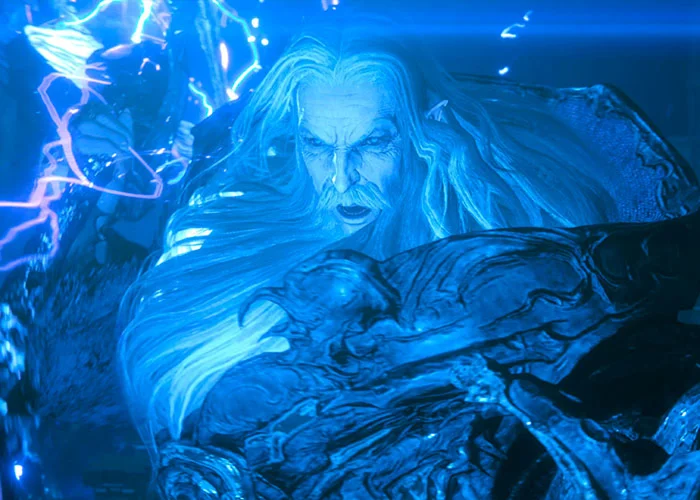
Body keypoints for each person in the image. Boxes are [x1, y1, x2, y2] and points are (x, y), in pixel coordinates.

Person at [118, 18, 627, 454]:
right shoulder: (229, 226)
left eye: (374, 142)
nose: (342, 178)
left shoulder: (497, 236)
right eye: (317, 145)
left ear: (426, 132)